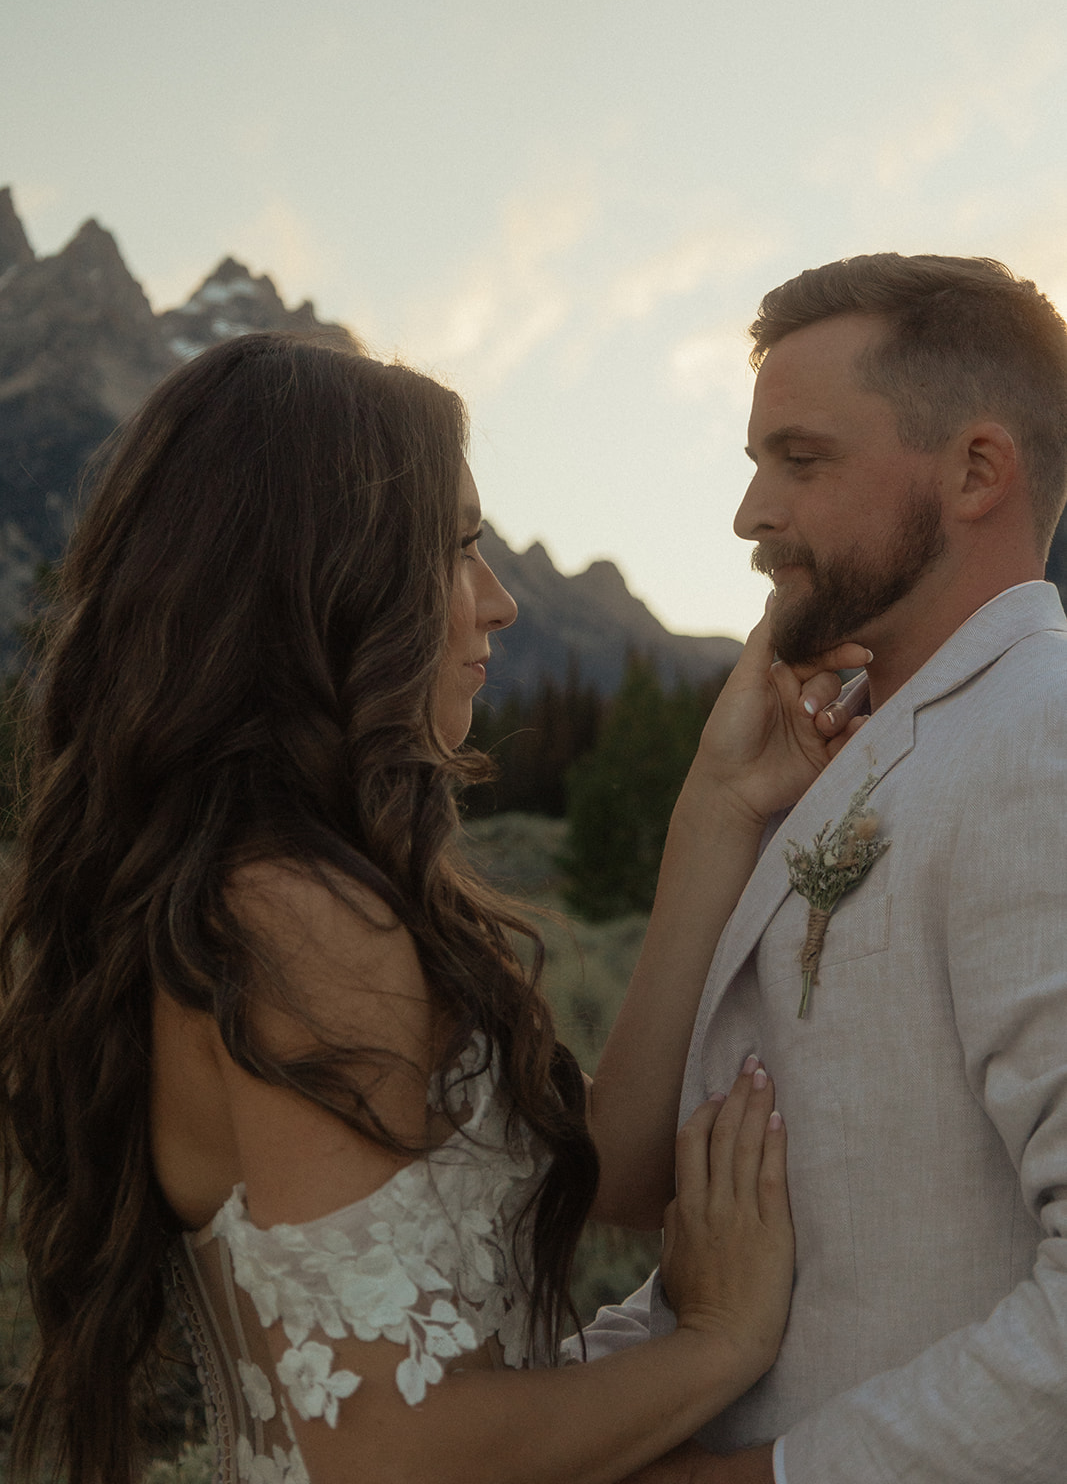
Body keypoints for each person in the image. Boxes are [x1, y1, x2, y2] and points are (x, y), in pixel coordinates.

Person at [0, 332, 863, 1484]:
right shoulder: (295, 919)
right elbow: (388, 1455)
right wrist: (719, 1346)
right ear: (331, 583)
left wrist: (715, 805)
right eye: (456, 550)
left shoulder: (281, 890)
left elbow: (607, 1166)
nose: (499, 603)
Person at [579, 253, 1067, 1484]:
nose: (749, 513)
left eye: (799, 461)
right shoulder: (853, 749)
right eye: (754, 463)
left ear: (974, 471)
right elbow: (677, 1203)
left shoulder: (1037, 737)